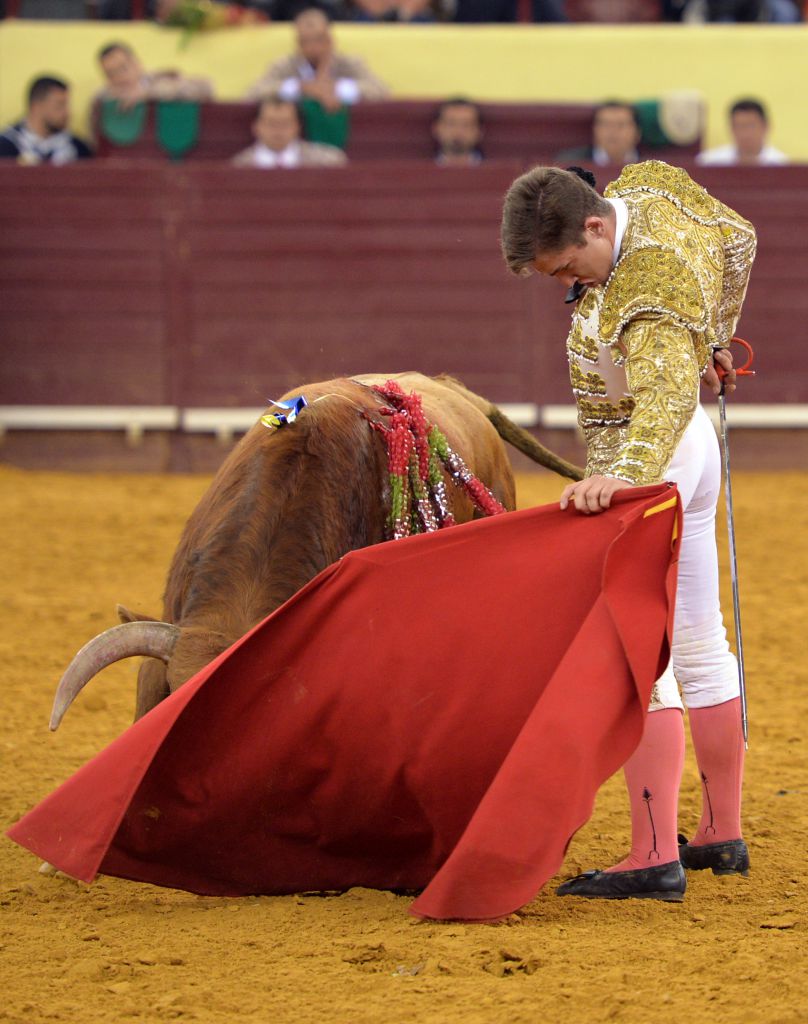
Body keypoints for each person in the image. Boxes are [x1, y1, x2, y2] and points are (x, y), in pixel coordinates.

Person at [500, 160, 756, 901]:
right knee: (702, 641)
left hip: (655, 460)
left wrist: (628, 475)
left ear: (595, 226)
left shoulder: (645, 288)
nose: (567, 284)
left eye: (569, 267)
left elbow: (664, 400)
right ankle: (720, 832)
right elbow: (740, 239)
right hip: (695, 451)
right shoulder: (648, 188)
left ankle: (652, 854)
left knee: (637, 659)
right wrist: (716, 334)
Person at [245, 6, 390, 109]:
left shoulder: (349, 63)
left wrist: (337, 87)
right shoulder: (284, 65)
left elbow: (381, 91)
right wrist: (299, 87)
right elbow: (253, 93)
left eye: (319, 39)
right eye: (305, 41)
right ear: (298, 45)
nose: (313, 47)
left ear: (330, 41)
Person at [0, 76, 92, 164]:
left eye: (67, 105)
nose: (67, 113)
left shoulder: (79, 149)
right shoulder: (5, 147)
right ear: (36, 107)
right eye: (59, 105)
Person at [231, 97, 347, 167]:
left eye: (285, 123)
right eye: (271, 123)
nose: (278, 129)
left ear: (297, 127)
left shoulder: (328, 162)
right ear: (256, 127)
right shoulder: (240, 165)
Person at [96, 41, 214, 108]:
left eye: (123, 68)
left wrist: (148, 93)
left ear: (137, 63)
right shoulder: (104, 96)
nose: (119, 78)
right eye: (111, 74)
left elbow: (206, 87)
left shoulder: (159, 80)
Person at [697, 98, 788, 167]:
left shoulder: (781, 164)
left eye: (751, 126)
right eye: (739, 126)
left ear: (766, 126)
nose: (745, 134)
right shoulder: (710, 162)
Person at [556, 101, 641, 167]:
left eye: (621, 125)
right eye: (606, 124)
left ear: (637, 133)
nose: (613, 131)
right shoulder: (570, 163)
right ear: (594, 130)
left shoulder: (651, 167)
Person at [432, 98, 483, 166]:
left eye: (466, 125)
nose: (458, 131)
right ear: (436, 128)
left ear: (479, 131)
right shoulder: (423, 171)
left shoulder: (492, 172)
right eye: (451, 124)